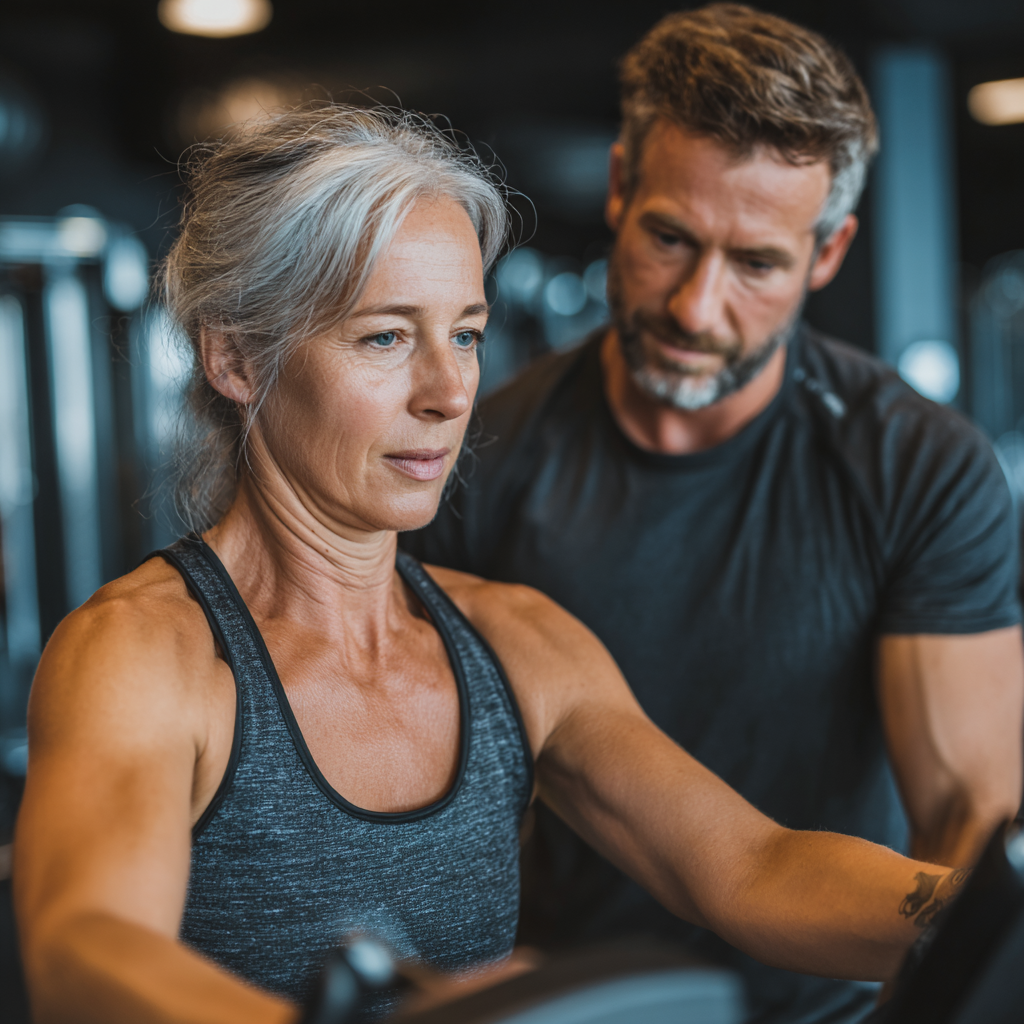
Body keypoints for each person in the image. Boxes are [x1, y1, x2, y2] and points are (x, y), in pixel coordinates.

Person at [13, 104, 970, 1024]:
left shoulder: (515, 642)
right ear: (237, 361)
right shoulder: (144, 657)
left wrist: (980, 915)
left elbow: (751, 868)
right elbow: (84, 948)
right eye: (386, 337)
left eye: (463, 334)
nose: (448, 391)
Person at [401, 6, 1024, 1023]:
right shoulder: (476, 460)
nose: (696, 306)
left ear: (827, 255)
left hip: (839, 1007)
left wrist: (961, 984)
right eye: (669, 239)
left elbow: (963, 814)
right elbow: (444, 811)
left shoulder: (916, 465)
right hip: (586, 1002)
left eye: (756, 264)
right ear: (617, 189)